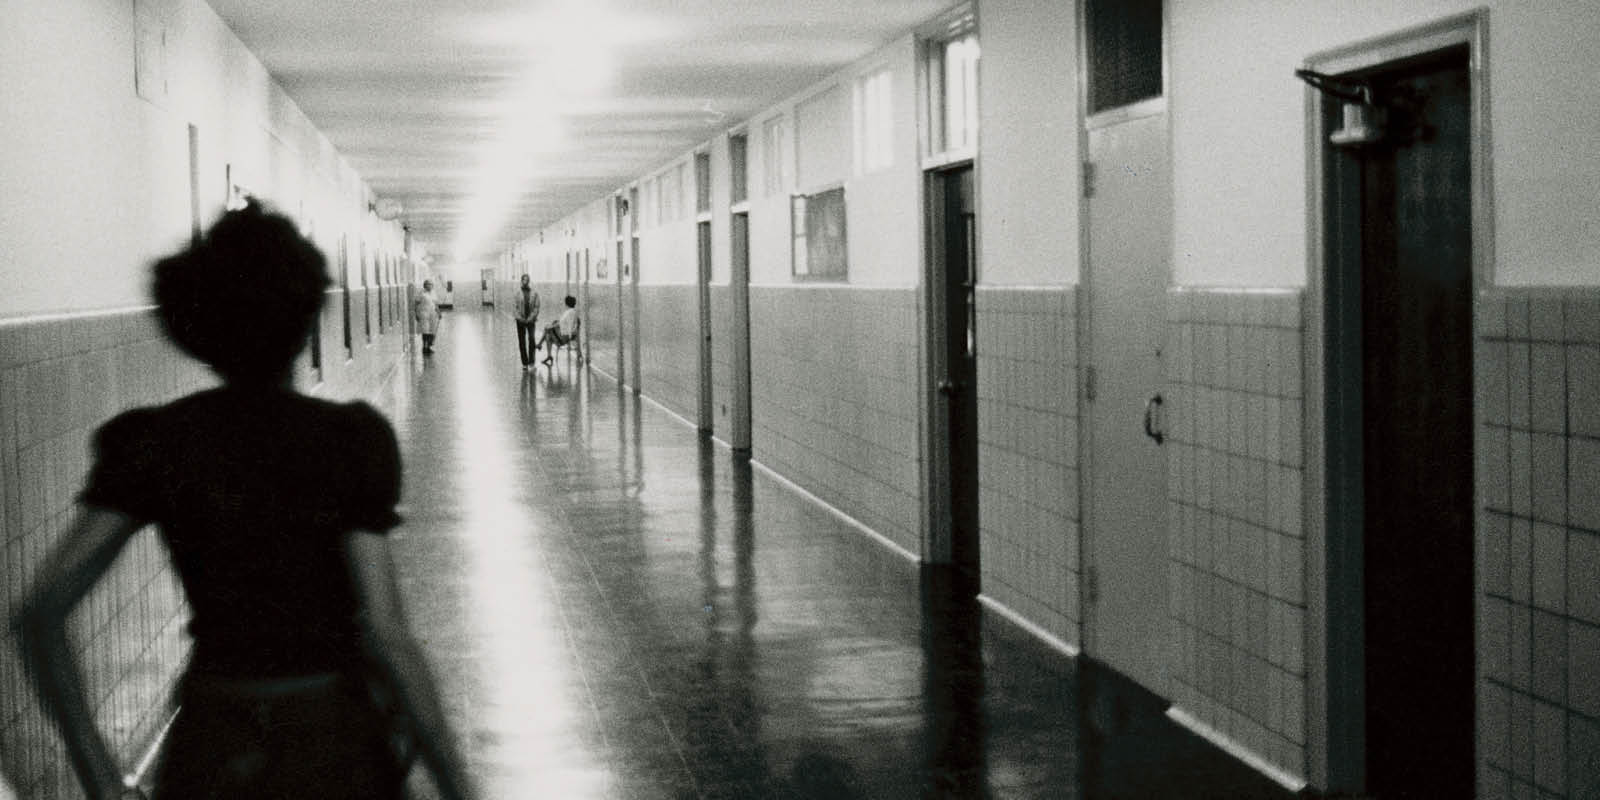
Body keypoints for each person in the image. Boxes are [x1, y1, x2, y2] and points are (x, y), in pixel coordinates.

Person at [9, 202, 478, 800]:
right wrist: (457, 784)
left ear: (197, 329)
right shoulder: (351, 440)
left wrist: (104, 784)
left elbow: (41, 609)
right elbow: (387, 634)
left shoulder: (152, 443)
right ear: (307, 321)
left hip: (214, 746)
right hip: (335, 743)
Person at [537, 295, 579, 366]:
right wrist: (553, 325)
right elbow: (561, 323)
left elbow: (566, 325)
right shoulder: (570, 312)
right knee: (548, 336)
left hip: (564, 338)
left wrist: (552, 326)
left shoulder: (570, 312)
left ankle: (539, 344)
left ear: (566, 303)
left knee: (547, 328)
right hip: (563, 335)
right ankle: (549, 356)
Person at [511, 274, 540, 369]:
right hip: (520, 321)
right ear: (521, 280)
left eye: (527, 280)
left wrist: (531, 317)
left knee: (532, 340)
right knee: (522, 341)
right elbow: (514, 308)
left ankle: (532, 362)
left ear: (529, 281)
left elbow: (536, 307)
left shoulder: (534, 293)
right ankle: (525, 363)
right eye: (524, 280)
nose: (525, 281)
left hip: (531, 320)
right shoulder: (517, 293)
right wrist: (520, 318)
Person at [413, 279, 441, 354]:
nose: (430, 286)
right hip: (423, 313)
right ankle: (424, 347)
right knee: (425, 331)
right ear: (424, 285)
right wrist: (416, 314)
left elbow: (435, 304)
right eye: (428, 284)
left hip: (433, 314)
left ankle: (429, 347)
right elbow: (415, 304)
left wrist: (439, 312)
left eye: (431, 284)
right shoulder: (421, 293)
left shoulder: (433, 293)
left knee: (432, 330)